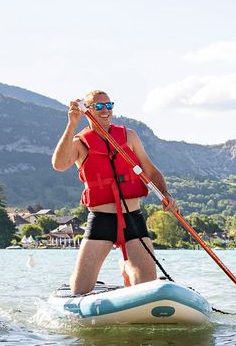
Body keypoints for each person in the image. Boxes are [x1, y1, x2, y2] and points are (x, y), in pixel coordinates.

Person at [51, 90, 178, 294]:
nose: (105, 110)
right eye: (99, 106)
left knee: (145, 287)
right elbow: (59, 164)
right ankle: (124, 265)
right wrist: (72, 123)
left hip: (133, 218)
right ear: (88, 111)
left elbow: (150, 170)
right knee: (80, 289)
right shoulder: (80, 143)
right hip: (102, 220)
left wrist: (166, 194)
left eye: (109, 105)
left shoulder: (129, 136)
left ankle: (127, 266)